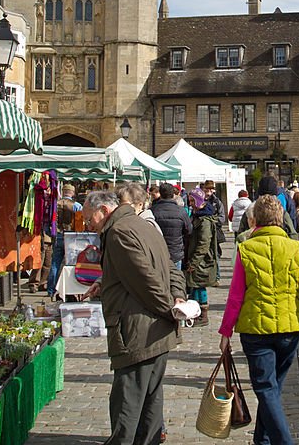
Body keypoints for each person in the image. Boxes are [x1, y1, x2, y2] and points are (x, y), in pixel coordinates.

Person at [219, 195, 299, 445]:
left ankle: (282, 441)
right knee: (272, 389)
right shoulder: (293, 247)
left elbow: (235, 296)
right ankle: (262, 440)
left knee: (267, 390)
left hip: (256, 330)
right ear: (280, 219)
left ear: (254, 220)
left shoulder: (246, 249)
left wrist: (225, 332)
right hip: (289, 330)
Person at [83, 190, 186, 445]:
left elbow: (145, 280)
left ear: (105, 211)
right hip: (155, 330)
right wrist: (177, 299)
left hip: (138, 331)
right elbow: (169, 269)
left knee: (127, 406)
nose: (88, 225)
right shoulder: (144, 224)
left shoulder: (118, 232)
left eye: (89, 219)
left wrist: (170, 308)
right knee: (151, 400)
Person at [184, 188, 219, 327]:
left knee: (199, 286)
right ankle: (197, 314)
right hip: (197, 258)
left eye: (193, 201)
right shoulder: (197, 215)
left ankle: (203, 316)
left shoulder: (204, 220)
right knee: (196, 286)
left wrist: (194, 261)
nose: (191, 204)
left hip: (202, 260)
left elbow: (204, 243)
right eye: (190, 201)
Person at [48, 185, 83, 297]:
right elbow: (80, 222)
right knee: (71, 264)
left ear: (63, 192)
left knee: (55, 264)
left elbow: (49, 221)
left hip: (58, 235)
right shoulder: (76, 206)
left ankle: (51, 290)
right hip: (71, 237)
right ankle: (70, 288)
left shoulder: (55, 204)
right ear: (72, 193)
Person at [150, 183, 190, 270]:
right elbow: (188, 230)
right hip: (175, 252)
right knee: (176, 281)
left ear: (160, 194)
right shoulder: (181, 211)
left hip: (158, 253)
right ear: (173, 194)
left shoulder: (152, 211)